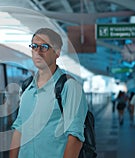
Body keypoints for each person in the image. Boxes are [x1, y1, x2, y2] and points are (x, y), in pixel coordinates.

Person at [9, 28, 88, 158]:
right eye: (34, 46)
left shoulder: (69, 87)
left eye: (44, 47)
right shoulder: (26, 88)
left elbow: (75, 138)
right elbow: (18, 130)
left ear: (57, 52)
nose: (38, 51)